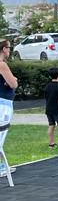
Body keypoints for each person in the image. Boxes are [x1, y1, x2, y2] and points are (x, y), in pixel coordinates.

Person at [0, 39, 18, 178]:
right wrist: (13, 80)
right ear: (4, 49)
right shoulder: (2, 64)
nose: (10, 50)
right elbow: (13, 84)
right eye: (9, 48)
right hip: (3, 103)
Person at [44, 67, 58, 149]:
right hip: (57, 109)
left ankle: (51, 144)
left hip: (48, 109)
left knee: (51, 125)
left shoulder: (47, 86)